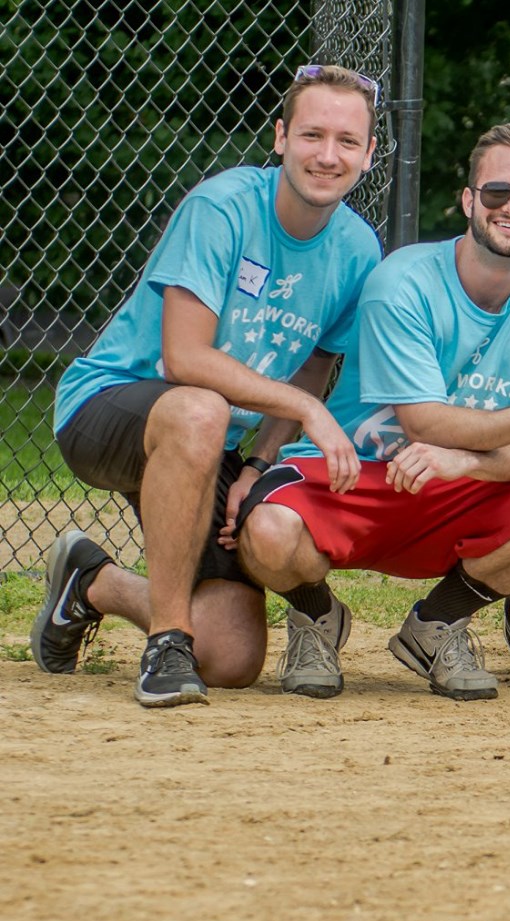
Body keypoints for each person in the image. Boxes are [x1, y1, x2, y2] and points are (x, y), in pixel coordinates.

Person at [35, 64, 384, 708]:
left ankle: (91, 583)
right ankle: (167, 643)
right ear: (281, 137)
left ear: (368, 155)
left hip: (212, 436)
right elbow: (184, 358)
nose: (327, 156)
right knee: (202, 408)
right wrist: (306, 411)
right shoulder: (223, 207)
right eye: (312, 135)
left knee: (229, 656)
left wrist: (259, 462)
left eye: (347, 141)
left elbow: (314, 364)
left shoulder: (359, 248)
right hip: (109, 404)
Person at [234, 124, 510, 702]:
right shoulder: (403, 279)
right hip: (357, 472)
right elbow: (424, 423)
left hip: (458, 487)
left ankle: (437, 626)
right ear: (468, 200)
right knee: (267, 531)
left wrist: (468, 463)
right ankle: (316, 615)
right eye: (497, 192)